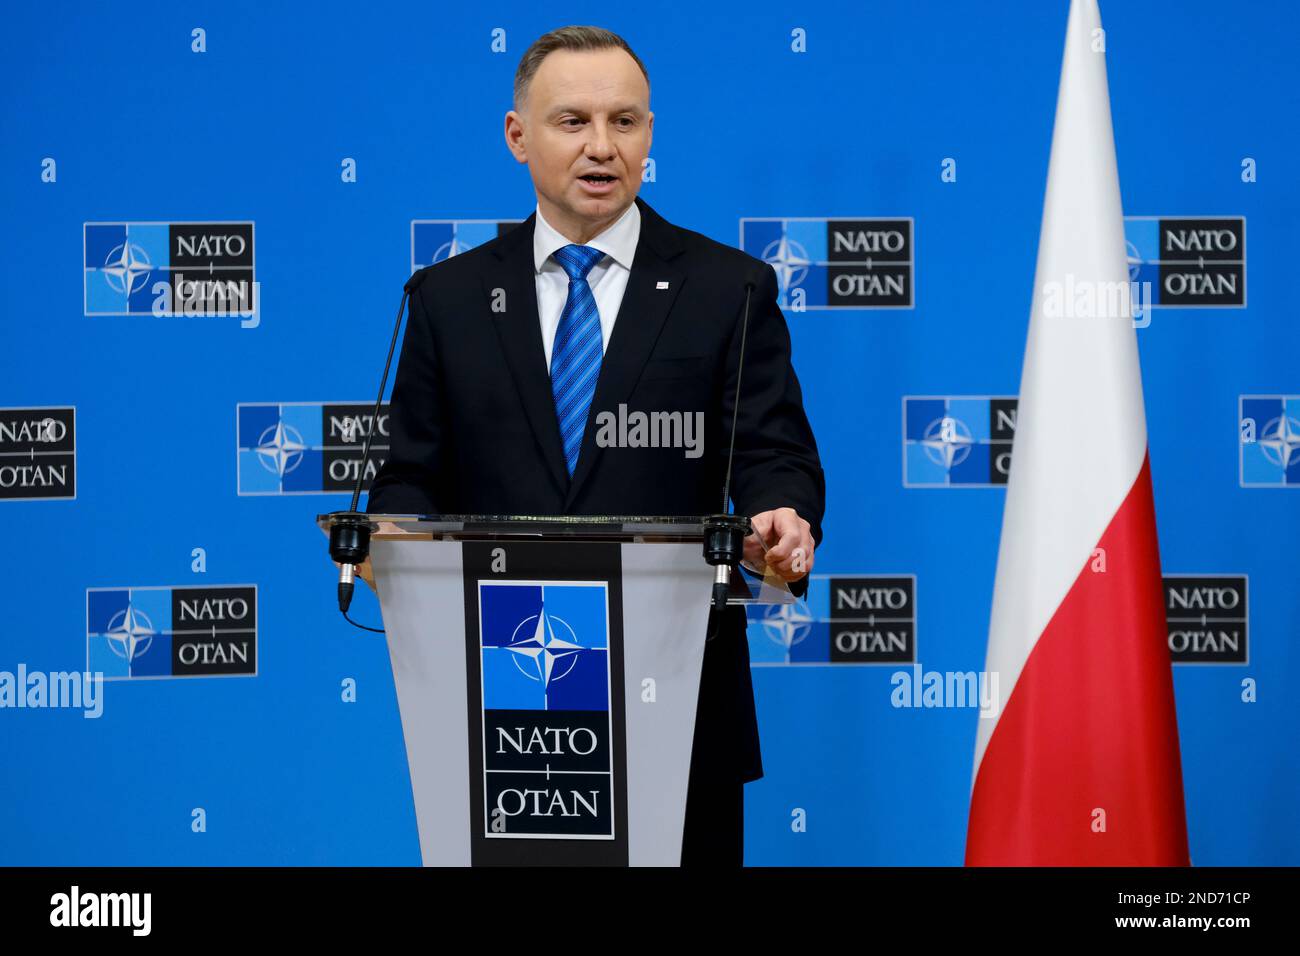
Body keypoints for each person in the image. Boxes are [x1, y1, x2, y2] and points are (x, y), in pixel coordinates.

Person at [365, 25, 825, 866]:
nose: (601, 147)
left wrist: (781, 517)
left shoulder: (729, 289)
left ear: (650, 134)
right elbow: (408, 475)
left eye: (625, 121)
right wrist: (388, 537)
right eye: (572, 121)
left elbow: (772, 453)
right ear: (518, 137)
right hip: (503, 702)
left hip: (679, 701)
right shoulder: (447, 298)